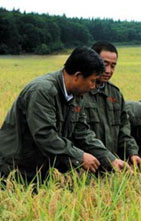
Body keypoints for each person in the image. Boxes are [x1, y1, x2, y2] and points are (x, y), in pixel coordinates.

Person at [0, 47, 130, 182]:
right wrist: (80, 157)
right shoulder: (42, 91)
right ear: (78, 76)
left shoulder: (77, 95)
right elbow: (45, 135)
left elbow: (82, 132)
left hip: (40, 170)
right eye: (92, 81)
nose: (93, 87)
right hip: (14, 169)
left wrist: (110, 159)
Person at [85, 41, 141, 172]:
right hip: (87, 167)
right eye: (104, 64)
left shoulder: (115, 94)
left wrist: (132, 153)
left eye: (113, 66)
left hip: (112, 167)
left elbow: (124, 130)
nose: (108, 70)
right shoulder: (80, 91)